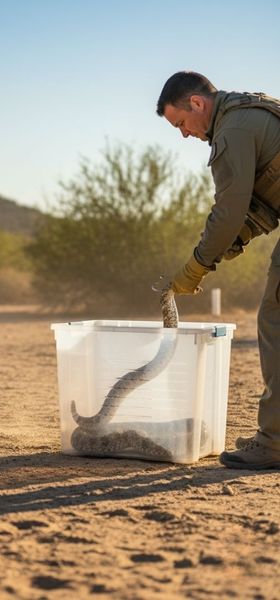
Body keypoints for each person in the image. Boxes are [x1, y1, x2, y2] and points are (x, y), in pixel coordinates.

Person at [156, 71, 280, 470]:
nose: (184, 134)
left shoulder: (232, 130)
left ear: (197, 104)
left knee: (275, 319)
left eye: (180, 124)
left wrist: (194, 268)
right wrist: (222, 250)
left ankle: (275, 443)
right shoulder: (248, 110)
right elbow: (259, 210)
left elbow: (228, 213)